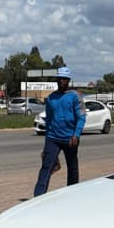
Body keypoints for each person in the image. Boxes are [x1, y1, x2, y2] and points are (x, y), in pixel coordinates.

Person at [33, 67, 86, 196]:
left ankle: (72, 193)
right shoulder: (51, 98)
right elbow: (49, 119)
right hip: (53, 137)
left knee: (72, 167)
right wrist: (47, 139)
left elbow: (81, 117)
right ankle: (38, 196)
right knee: (46, 166)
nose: (61, 81)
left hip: (70, 138)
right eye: (59, 79)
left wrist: (76, 134)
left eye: (64, 79)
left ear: (68, 81)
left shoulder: (75, 96)